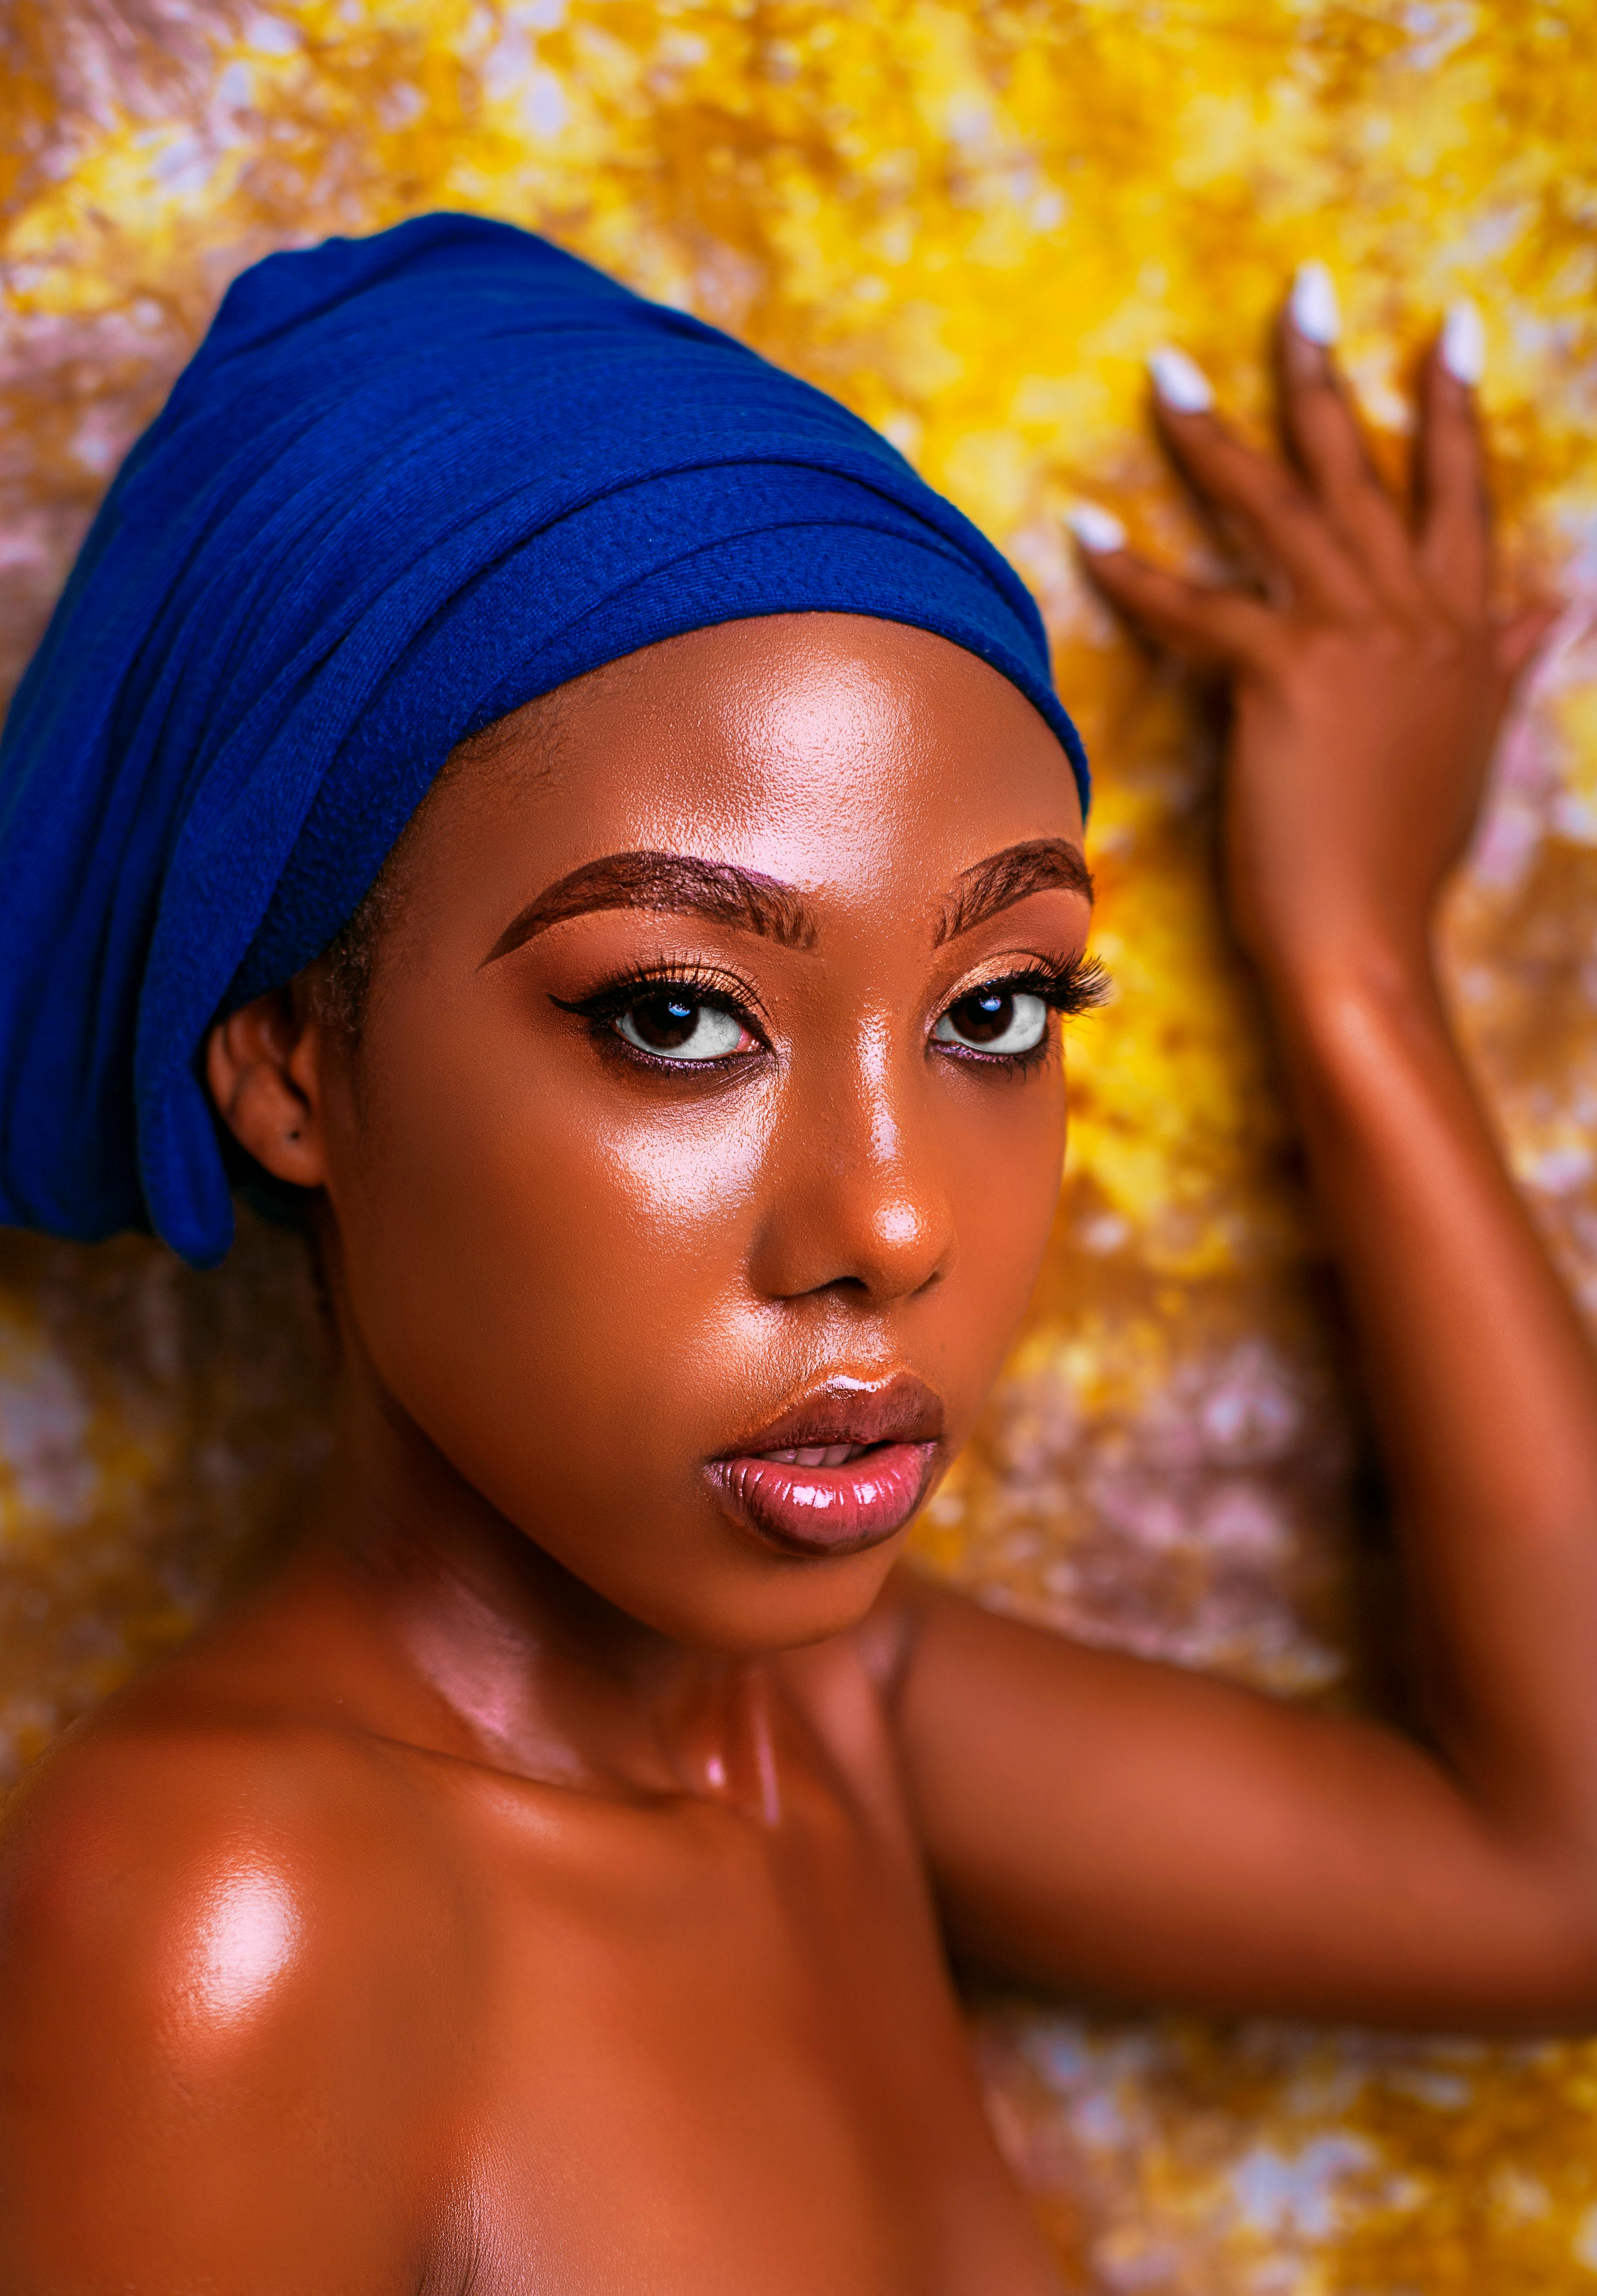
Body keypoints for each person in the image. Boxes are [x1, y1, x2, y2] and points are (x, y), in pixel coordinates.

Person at [0, 217, 1590, 2295]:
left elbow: (1559, 1874)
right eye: (676, 1014)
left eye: (997, 1010)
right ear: (290, 1065)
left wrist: (1358, 960)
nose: (897, 1217)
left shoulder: (833, 1717)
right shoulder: (230, 1916)